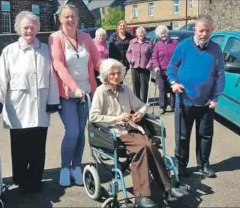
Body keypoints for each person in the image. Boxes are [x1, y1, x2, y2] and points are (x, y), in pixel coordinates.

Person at [89, 58, 185, 208]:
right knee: (142, 148)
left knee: (150, 146)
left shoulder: (125, 89)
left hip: (132, 130)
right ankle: (145, 195)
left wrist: (139, 114)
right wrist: (117, 118)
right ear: (106, 74)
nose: (116, 76)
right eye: (112, 74)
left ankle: (167, 190)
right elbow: (93, 117)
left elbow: (142, 105)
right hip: (114, 134)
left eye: (118, 73)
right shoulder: (100, 92)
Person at [0, 11, 60, 193]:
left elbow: (52, 77)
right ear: (19, 29)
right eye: (25, 27)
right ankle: (20, 179)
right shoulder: (9, 51)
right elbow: (1, 78)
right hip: (17, 106)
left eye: (32, 27)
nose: (29, 31)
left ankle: (35, 179)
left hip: (39, 106)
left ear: (37, 28)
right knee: (20, 146)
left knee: (38, 146)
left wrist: (53, 100)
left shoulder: (45, 50)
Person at [49, 4, 101, 187]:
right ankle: (65, 167)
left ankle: (76, 166)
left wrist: (111, 74)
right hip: (67, 95)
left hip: (86, 93)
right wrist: (74, 87)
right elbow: (59, 66)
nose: (70, 20)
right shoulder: (55, 38)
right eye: (66, 17)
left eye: (73, 16)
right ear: (60, 19)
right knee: (72, 132)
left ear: (78, 17)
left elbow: (97, 62)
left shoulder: (86, 37)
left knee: (81, 133)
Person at [167, 15, 225, 178]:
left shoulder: (216, 49)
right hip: (184, 100)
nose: (204, 34)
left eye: (207, 31)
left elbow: (220, 74)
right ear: (195, 30)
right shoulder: (183, 46)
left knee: (205, 135)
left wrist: (216, 97)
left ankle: (204, 165)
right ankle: (181, 166)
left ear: (211, 30)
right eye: (201, 30)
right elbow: (172, 66)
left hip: (207, 102)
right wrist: (173, 83)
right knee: (183, 136)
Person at [152, 25, 178, 114]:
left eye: (164, 33)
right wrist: (156, 66)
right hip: (162, 71)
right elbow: (154, 57)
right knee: (162, 89)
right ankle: (162, 106)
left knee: (173, 89)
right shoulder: (157, 45)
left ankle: (174, 106)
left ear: (167, 33)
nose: (163, 35)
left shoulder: (175, 43)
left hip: (173, 71)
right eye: (161, 34)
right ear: (159, 35)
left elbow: (179, 55)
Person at [126, 26, 152, 102]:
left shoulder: (149, 42)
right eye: (139, 33)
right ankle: (136, 102)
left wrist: (150, 63)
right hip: (134, 67)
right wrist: (130, 60)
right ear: (136, 34)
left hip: (145, 67)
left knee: (144, 86)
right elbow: (128, 52)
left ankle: (143, 102)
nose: (141, 34)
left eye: (142, 33)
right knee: (135, 85)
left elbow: (153, 54)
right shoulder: (132, 42)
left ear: (145, 34)